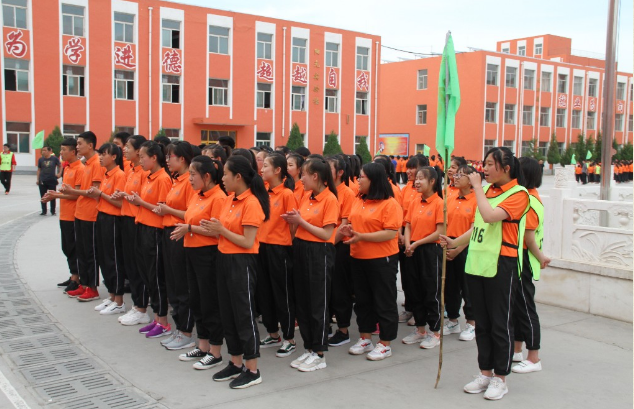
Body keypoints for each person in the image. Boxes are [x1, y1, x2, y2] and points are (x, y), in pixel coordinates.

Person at [441, 147, 529, 401]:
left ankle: (501, 377)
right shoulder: (488, 191)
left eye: (490, 164)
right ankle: (485, 372)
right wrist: (456, 242)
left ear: (506, 168)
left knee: (500, 323)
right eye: (486, 163)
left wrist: (478, 188)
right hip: (478, 263)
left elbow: (490, 217)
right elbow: (478, 226)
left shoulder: (518, 194)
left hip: (502, 265)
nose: (485, 169)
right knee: (482, 323)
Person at [201, 155, 269, 389]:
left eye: (226, 175)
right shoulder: (230, 199)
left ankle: (252, 368)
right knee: (227, 312)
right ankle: (235, 362)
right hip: (224, 258)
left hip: (242, 262)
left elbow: (248, 241)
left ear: (238, 176)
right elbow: (222, 230)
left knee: (243, 314)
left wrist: (221, 230)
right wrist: (209, 228)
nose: (222, 179)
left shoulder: (252, 203)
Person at [281, 158, 338, 372]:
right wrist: (293, 221)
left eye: (304, 174)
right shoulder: (307, 196)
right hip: (301, 248)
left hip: (319, 252)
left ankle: (319, 353)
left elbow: (326, 233)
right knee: (303, 302)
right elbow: (300, 224)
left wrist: (301, 222)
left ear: (315, 176)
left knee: (317, 303)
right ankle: (309, 347)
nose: (301, 179)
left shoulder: (330, 199)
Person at [342, 162, 403, 360]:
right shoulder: (359, 199)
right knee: (363, 301)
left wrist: (362, 236)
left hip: (381, 259)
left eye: (362, 177)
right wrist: (349, 231)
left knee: (384, 301)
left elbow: (390, 233)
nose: (358, 180)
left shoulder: (389, 204)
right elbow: (355, 222)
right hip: (358, 257)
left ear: (374, 180)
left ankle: (385, 343)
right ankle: (365, 337)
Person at [174, 155, 227, 369]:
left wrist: (189, 228)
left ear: (206, 176)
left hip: (208, 254)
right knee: (196, 300)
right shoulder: (197, 195)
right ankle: (202, 345)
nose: (190, 179)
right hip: (192, 251)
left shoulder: (218, 197)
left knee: (210, 302)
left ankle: (215, 351)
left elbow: (216, 231)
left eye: (193, 175)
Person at [126, 141, 172, 338]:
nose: (140, 160)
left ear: (154, 157)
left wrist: (140, 202)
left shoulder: (163, 179)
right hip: (142, 226)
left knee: (156, 277)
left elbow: (161, 210)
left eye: (143, 156)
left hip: (154, 231)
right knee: (146, 274)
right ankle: (156, 318)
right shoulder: (148, 177)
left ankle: (163, 321)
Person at [155, 141, 196, 349]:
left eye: (170, 156)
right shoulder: (176, 180)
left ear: (182, 159)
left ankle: (186, 331)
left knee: (182, 285)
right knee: (172, 283)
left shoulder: (189, 182)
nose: (167, 160)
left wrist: (168, 210)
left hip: (180, 234)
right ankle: (179, 328)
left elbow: (191, 213)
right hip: (168, 232)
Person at [257, 153, 298, 357]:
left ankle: (289, 338)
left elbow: (293, 226)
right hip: (261, 246)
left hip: (279, 249)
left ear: (277, 170)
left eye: (266, 166)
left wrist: (286, 244)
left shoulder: (287, 194)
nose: (262, 169)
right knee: (265, 293)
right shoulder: (263, 191)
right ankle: (273, 333)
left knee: (282, 294)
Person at [513, 157, 551, 374]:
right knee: (518, 306)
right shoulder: (528, 196)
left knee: (526, 308)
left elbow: (529, 238)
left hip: (524, 260)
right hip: (522, 258)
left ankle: (534, 356)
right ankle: (517, 349)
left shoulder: (529, 201)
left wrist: (541, 257)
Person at [401, 166, 444, 349]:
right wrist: (408, 244)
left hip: (430, 250)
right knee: (415, 290)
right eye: (416, 178)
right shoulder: (415, 202)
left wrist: (416, 243)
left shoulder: (439, 203)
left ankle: (435, 331)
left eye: (421, 178)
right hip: (413, 249)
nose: (416, 182)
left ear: (432, 181)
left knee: (431, 291)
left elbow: (439, 232)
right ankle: (420, 330)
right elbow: (408, 225)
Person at [62, 131, 104, 302]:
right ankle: (84, 284)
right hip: (80, 213)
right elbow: (81, 190)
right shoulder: (85, 164)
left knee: (90, 253)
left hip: (91, 215)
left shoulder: (97, 163)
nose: (77, 147)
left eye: (80, 144)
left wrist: (73, 191)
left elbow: (94, 192)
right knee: (81, 251)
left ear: (90, 145)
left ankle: (92, 288)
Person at [114, 135, 151, 326]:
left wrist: (131, 199)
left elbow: (143, 200)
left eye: (128, 147)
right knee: (129, 264)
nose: (124, 150)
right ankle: (137, 306)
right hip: (126, 219)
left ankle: (141, 308)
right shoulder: (131, 170)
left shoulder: (144, 173)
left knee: (138, 268)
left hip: (137, 221)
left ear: (139, 151)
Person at [88, 143, 127, 315]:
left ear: (114, 157)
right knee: (103, 257)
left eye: (104, 154)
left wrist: (101, 194)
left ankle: (119, 300)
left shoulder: (120, 175)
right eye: (100, 154)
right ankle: (111, 296)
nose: (100, 157)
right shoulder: (105, 174)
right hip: (102, 216)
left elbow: (120, 203)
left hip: (113, 220)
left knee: (113, 258)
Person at [42, 138, 84, 293]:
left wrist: (56, 196)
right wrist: (55, 193)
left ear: (73, 152)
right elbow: (66, 191)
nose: (61, 153)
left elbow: (76, 195)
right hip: (64, 214)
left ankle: (77, 278)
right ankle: (73, 274)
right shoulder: (67, 168)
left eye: (64, 150)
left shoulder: (80, 168)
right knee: (66, 247)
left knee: (73, 248)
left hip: (74, 215)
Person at [443, 164, 477, 341]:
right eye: (456, 175)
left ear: (471, 180)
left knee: (467, 286)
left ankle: (471, 323)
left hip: (466, 247)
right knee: (450, 286)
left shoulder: (476, 200)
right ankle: (453, 320)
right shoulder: (451, 197)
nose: (456, 178)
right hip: (448, 245)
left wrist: (458, 249)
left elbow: (474, 229)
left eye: (460, 175)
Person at [326, 155, 356, 347]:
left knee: (340, 289)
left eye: (329, 168)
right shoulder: (325, 191)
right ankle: (327, 324)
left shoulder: (347, 194)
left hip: (339, 246)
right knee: (327, 289)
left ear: (340, 172)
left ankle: (343, 330)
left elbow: (344, 224)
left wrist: (328, 242)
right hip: (326, 244)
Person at [37, 146, 61, 215]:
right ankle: (43, 211)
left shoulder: (54, 159)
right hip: (42, 179)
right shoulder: (40, 159)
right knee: (43, 196)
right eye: (42, 150)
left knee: (52, 195)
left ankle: (53, 211)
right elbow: (39, 170)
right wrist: (38, 179)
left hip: (52, 180)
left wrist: (59, 173)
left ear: (50, 151)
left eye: (45, 150)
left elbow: (60, 166)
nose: (43, 152)